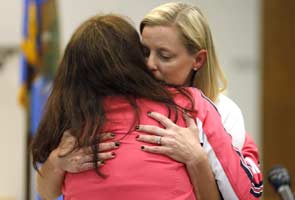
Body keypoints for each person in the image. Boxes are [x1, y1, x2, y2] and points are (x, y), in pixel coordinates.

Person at [36, 2, 263, 199]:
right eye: (143, 53)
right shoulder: (81, 113)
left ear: (198, 60)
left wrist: (197, 158)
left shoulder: (218, 110)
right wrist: (58, 161)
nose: (150, 65)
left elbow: (243, 194)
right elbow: (47, 191)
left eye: (164, 56)